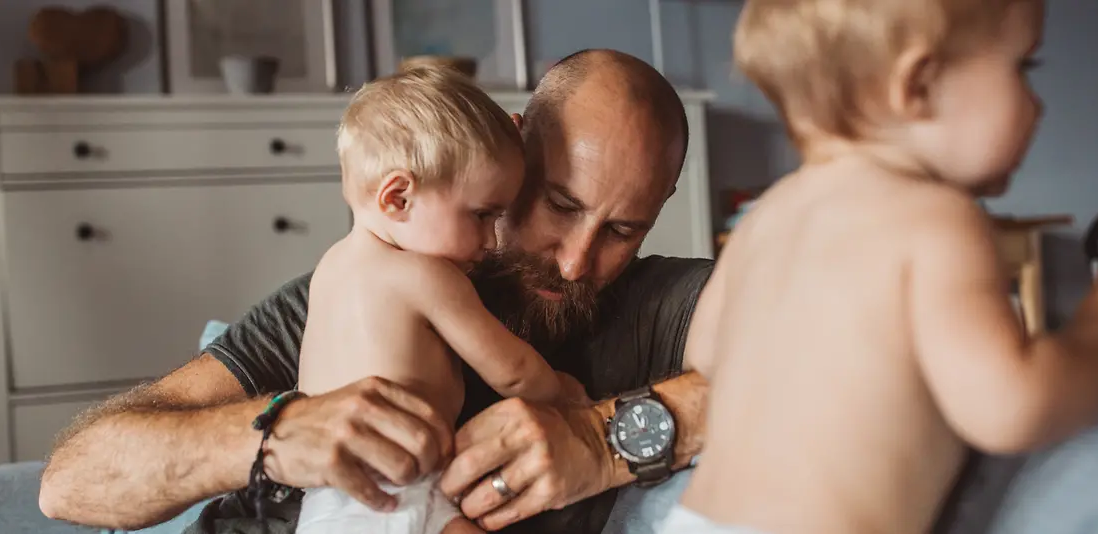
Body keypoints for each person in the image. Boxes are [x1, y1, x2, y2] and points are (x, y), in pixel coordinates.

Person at [37, 49, 712, 534]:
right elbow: (70, 481)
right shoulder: (354, 289)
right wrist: (271, 438)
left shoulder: (661, 304)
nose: (576, 262)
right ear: (513, 147)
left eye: (623, 228)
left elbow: (814, 363)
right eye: (559, 205)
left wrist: (602, 442)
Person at [664, 1, 1098, 534]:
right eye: (1023, 67)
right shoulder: (938, 217)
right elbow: (1012, 408)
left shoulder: (767, 215)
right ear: (918, 85)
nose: (1038, 106)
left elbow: (703, 352)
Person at [294, 67, 588, 534]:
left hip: (336, 499)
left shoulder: (330, 269)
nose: (492, 241)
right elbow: (512, 371)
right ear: (399, 198)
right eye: (481, 215)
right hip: (385, 494)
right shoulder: (426, 276)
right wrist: (567, 395)